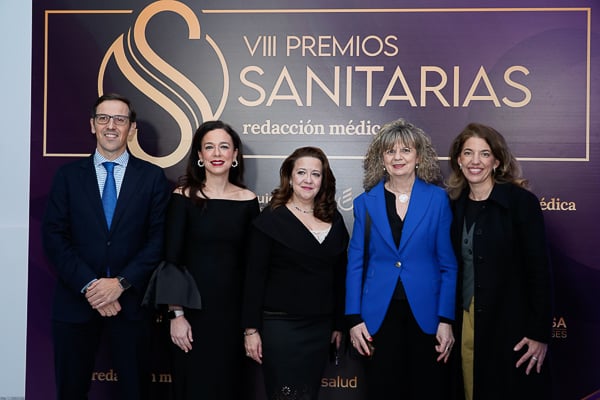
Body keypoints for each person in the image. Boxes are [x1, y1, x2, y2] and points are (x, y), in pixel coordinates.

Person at [42, 93, 170, 399]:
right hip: (76, 303)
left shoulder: (152, 178)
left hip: (132, 306)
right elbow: (54, 237)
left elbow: (158, 240)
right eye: (104, 118)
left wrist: (120, 284)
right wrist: (92, 286)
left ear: (132, 128)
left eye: (120, 119)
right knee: (71, 390)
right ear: (92, 125)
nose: (111, 126)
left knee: (136, 391)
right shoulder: (68, 177)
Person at [346, 118, 458, 399]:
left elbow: (448, 264)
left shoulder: (438, 199)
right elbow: (356, 263)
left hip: (428, 315)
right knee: (383, 389)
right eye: (390, 151)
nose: (398, 157)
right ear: (381, 158)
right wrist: (353, 318)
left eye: (406, 150)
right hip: (377, 316)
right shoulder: (365, 202)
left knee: (427, 389)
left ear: (418, 156)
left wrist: (446, 319)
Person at [447, 123, 552, 400]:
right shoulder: (452, 205)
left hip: (511, 324)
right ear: (458, 159)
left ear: (497, 160)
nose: (475, 161)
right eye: (468, 153)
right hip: (466, 319)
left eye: (484, 154)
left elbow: (539, 270)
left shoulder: (521, 203)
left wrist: (539, 332)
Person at [162, 120, 259, 400]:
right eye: (209, 147)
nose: (217, 153)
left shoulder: (248, 201)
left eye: (224, 146)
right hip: (191, 316)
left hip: (232, 318)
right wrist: (176, 315)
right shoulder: (183, 198)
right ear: (200, 156)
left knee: (229, 388)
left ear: (235, 155)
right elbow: (171, 260)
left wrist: (250, 325)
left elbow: (253, 266)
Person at [242, 146, 349, 400]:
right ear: (289, 177)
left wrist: (338, 324)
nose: (308, 180)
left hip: (320, 327)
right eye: (301, 172)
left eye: (316, 174)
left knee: (307, 394)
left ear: (324, 180)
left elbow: (340, 276)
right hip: (281, 327)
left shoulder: (334, 219)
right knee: (285, 394)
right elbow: (253, 278)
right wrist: (250, 330)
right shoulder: (270, 220)